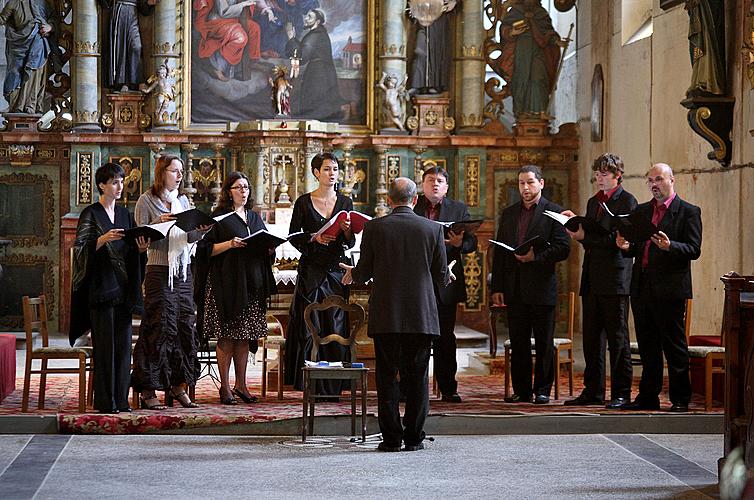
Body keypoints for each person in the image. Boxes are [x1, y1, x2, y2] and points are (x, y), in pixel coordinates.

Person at [340, 177, 451, 452]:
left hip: (387, 313)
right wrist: (446, 273)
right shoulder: (433, 229)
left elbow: (364, 273)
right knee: (418, 378)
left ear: (388, 200)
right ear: (415, 200)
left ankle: (391, 438)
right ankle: (414, 438)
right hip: (421, 315)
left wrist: (353, 271)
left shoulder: (375, 227)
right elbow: (440, 275)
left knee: (387, 377)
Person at [617, 163, 702, 412]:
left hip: (670, 288)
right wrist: (626, 247)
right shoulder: (642, 211)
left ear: (672, 180)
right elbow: (637, 246)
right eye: (651, 180)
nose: (654, 184)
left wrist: (670, 247)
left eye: (659, 179)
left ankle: (680, 399)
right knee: (648, 346)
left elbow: (694, 249)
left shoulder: (688, 211)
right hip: (641, 286)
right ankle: (648, 396)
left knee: (673, 346)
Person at [131, 154, 211, 410]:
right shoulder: (147, 200)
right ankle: (148, 388)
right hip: (158, 269)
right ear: (161, 173)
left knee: (185, 326)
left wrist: (200, 232)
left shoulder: (183, 201)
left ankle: (179, 386)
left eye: (181, 171)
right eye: (175, 171)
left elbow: (188, 238)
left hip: (183, 271)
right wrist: (157, 223)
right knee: (159, 327)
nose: (179, 176)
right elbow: (140, 237)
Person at [69, 163, 149, 413]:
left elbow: (130, 250)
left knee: (124, 348)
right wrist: (102, 240)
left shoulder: (125, 215)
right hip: (101, 290)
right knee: (105, 348)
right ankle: (105, 402)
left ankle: (121, 400)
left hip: (123, 290)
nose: (119, 186)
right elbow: (79, 251)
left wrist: (141, 250)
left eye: (122, 182)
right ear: (102, 185)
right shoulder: (91, 214)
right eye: (114, 182)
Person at [561, 154, 637, 409]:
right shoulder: (594, 201)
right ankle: (593, 391)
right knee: (592, 339)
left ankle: (621, 392)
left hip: (615, 278)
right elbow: (594, 231)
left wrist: (584, 236)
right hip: (592, 276)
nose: (599, 177)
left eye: (605, 173)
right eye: (597, 173)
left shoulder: (627, 200)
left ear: (617, 175)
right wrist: (577, 222)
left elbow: (616, 241)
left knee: (617, 339)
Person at [490, 165, 570, 404]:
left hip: (541, 287)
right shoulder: (509, 213)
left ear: (541, 184)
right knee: (519, 342)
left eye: (530, 182)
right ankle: (522, 390)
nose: (525, 187)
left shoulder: (554, 212)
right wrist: (497, 288)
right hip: (514, 288)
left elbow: (563, 249)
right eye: (522, 183)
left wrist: (536, 257)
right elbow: (501, 254)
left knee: (544, 342)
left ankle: (543, 390)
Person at [195, 172, 276, 405]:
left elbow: (263, 243)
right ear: (228, 192)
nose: (243, 191)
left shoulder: (254, 217)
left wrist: (269, 250)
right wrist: (230, 244)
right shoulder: (219, 217)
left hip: (251, 283)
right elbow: (205, 250)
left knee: (244, 336)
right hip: (226, 283)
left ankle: (241, 385)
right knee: (227, 336)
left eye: (246, 187)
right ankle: (225, 387)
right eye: (238, 187)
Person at [283, 152, 355, 396]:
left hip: (336, 270)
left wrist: (345, 231)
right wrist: (314, 238)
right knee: (310, 324)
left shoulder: (345, 202)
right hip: (312, 270)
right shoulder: (304, 202)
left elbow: (350, 239)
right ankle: (310, 383)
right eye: (326, 169)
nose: (332, 173)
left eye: (335, 168)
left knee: (335, 323)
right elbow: (293, 236)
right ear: (316, 172)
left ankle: (334, 384)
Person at [413, 165, 477, 403]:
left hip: (445, 282)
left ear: (446, 186)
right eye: (431, 180)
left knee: (445, 337)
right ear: (423, 184)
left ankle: (448, 387)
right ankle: (412, 388)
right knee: (416, 337)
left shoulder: (458, 209)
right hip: (417, 280)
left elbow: (473, 244)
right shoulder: (413, 206)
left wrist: (460, 243)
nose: (435, 184)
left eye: (440, 181)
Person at [497, 0, 564, 117]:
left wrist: (556, 41)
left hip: (539, 49)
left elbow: (548, 31)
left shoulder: (541, 13)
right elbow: (504, 29)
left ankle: (541, 111)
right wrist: (512, 32)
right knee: (521, 79)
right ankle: (521, 111)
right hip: (521, 50)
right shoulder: (515, 11)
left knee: (539, 77)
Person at [284, 8, 347, 120]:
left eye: (310, 17)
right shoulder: (317, 33)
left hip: (318, 74)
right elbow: (303, 50)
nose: (306, 19)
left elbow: (302, 56)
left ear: (317, 22)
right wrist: (293, 40)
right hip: (319, 70)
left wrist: (291, 38)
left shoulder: (315, 36)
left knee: (315, 104)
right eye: (307, 16)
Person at [0, 0, 57, 113]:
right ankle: (15, 104)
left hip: (38, 39)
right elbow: (2, 19)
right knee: (15, 72)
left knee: (33, 70)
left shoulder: (43, 2)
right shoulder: (14, 2)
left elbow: (54, 18)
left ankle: (30, 105)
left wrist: (50, 27)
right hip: (18, 43)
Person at [193, 0, 263, 82]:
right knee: (240, 38)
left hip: (232, 18)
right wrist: (243, 4)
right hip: (217, 22)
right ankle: (219, 67)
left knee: (255, 28)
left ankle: (249, 62)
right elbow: (224, 12)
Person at [100, 0, 152, 91]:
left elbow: (143, 8)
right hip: (120, 11)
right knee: (120, 49)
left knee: (136, 47)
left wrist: (148, 3)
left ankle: (137, 82)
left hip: (133, 12)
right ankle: (122, 82)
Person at [409, 0, 456, 94]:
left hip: (439, 17)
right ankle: (417, 84)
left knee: (436, 52)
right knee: (419, 52)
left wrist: (453, 2)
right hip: (422, 19)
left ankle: (434, 85)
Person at [685, 0, 726, 97]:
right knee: (698, 46)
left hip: (708, 14)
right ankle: (699, 81)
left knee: (708, 42)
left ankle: (710, 82)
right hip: (698, 12)